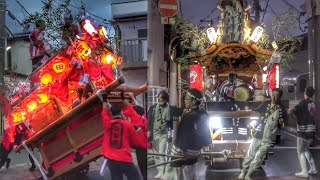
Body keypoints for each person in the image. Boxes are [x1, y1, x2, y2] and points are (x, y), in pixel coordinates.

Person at [238, 88, 284, 180]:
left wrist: (281, 122)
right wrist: (247, 109)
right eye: (273, 94)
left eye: (276, 95)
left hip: (269, 138)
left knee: (259, 157)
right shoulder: (266, 104)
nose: (274, 97)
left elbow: (282, 123)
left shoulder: (281, 108)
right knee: (250, 154)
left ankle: (248, 175)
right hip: (259, 134)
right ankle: (243, 171)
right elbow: (256, 110)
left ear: (279, 96)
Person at [99, 92, 145, 180]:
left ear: (111, 114)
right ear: (121, 113)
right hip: (124, 158)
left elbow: (104, 112)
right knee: (135, 177)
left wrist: (104, 99)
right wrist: (123, 97)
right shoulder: (128, 125)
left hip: (111, 159)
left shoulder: (107, 124)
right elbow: (135, 142)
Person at [170, 88, 212, 180]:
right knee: (190, 173)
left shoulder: (189, 116)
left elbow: (185, 135)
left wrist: (183, 150)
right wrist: (207, 144)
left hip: (183, 150)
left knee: (177, 173)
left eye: (186, 99)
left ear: (193, 101)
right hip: (195, 150)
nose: (184, 100)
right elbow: (205, 133)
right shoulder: (203, 114)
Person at [147, 90, 182, 179]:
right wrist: (148, 132)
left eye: (161, 100)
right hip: (154, 134)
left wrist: (188, 110)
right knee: (156, 155)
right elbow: (148, 121)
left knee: (162, 153)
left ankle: (163, 172)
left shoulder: (170, 108)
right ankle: (159, 171)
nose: (159, 101)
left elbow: (179, 111)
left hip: (164, 134)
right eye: (158, 100)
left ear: (166, 100)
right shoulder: (153, 108)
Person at [287, 86, 317, 178]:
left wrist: (289, 111)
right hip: (312, 131)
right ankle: (313, 169)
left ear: (305, 93)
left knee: (300, 151)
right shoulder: (313, 103)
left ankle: (304, 172)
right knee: (306, 149)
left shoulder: (302, 103)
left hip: (303, 131)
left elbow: (291, 111)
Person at [122, 99, 148, 180]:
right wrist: (133, 98)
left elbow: (130, 110)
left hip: (141, 148)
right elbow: (137, 109)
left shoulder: (136, 120)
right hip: (144, 147)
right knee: (144, 169)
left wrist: (122, 97)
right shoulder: (143, 118)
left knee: (143, 168)